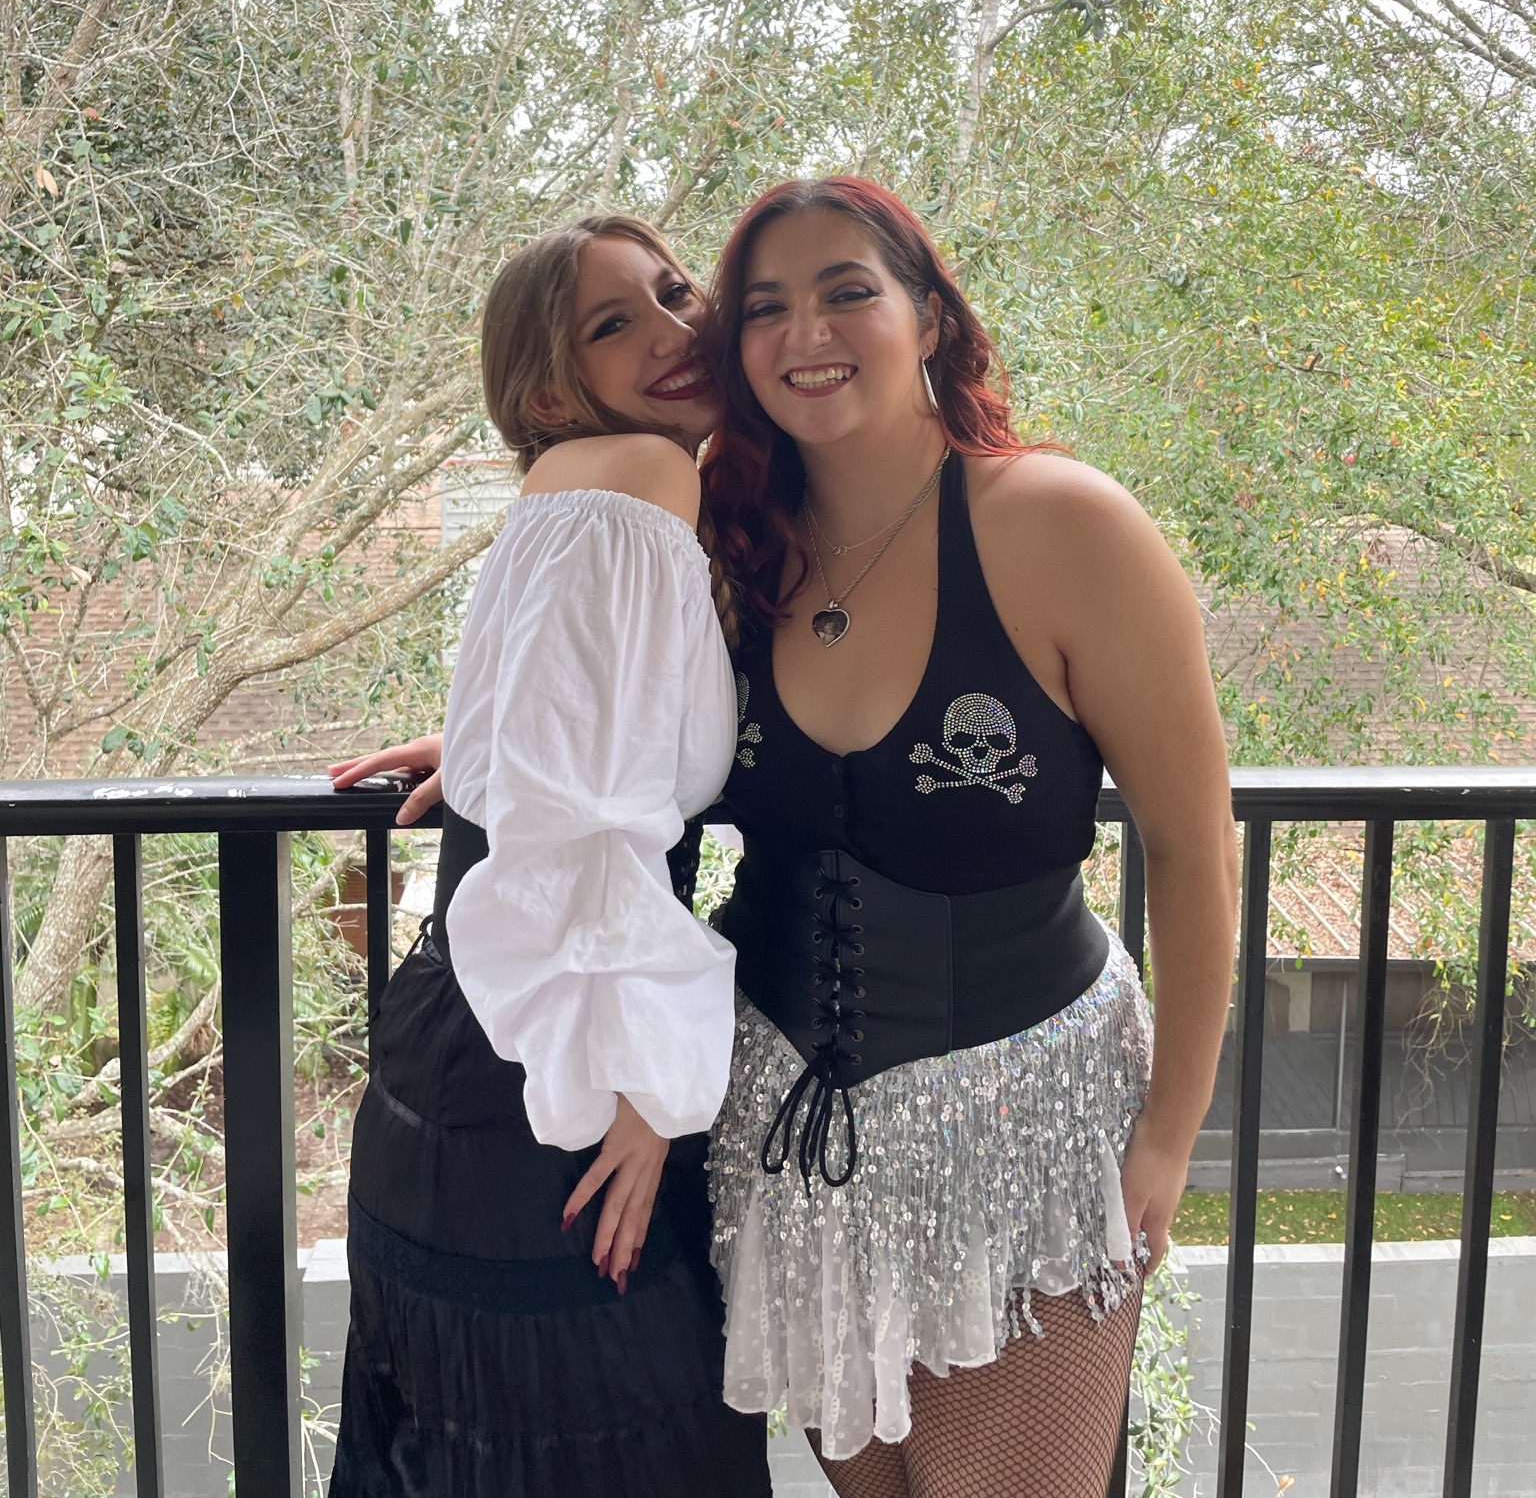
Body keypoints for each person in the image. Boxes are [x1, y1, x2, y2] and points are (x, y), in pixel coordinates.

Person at [698, 177, 1237, 1498]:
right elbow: (612, 737)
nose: (805, 332)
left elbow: (1192, 842)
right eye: (765, 307)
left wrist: (1169, 1133)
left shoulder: (1063, 526)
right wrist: (490, 763)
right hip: (787, 1144)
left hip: (1027, 1139)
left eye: (847, 292)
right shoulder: (732, 548)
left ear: (929, 319)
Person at [326, 213, 771, 1498]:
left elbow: (565, 733)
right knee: (618, 1425)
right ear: (544, 387)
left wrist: (476, 761)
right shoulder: (643, 477)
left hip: (470, 1042)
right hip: (554, 1064)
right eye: (613, 324)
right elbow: (588, 820)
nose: (675, 333)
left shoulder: (584, 481)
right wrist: (641, 1090)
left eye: (676, 293)